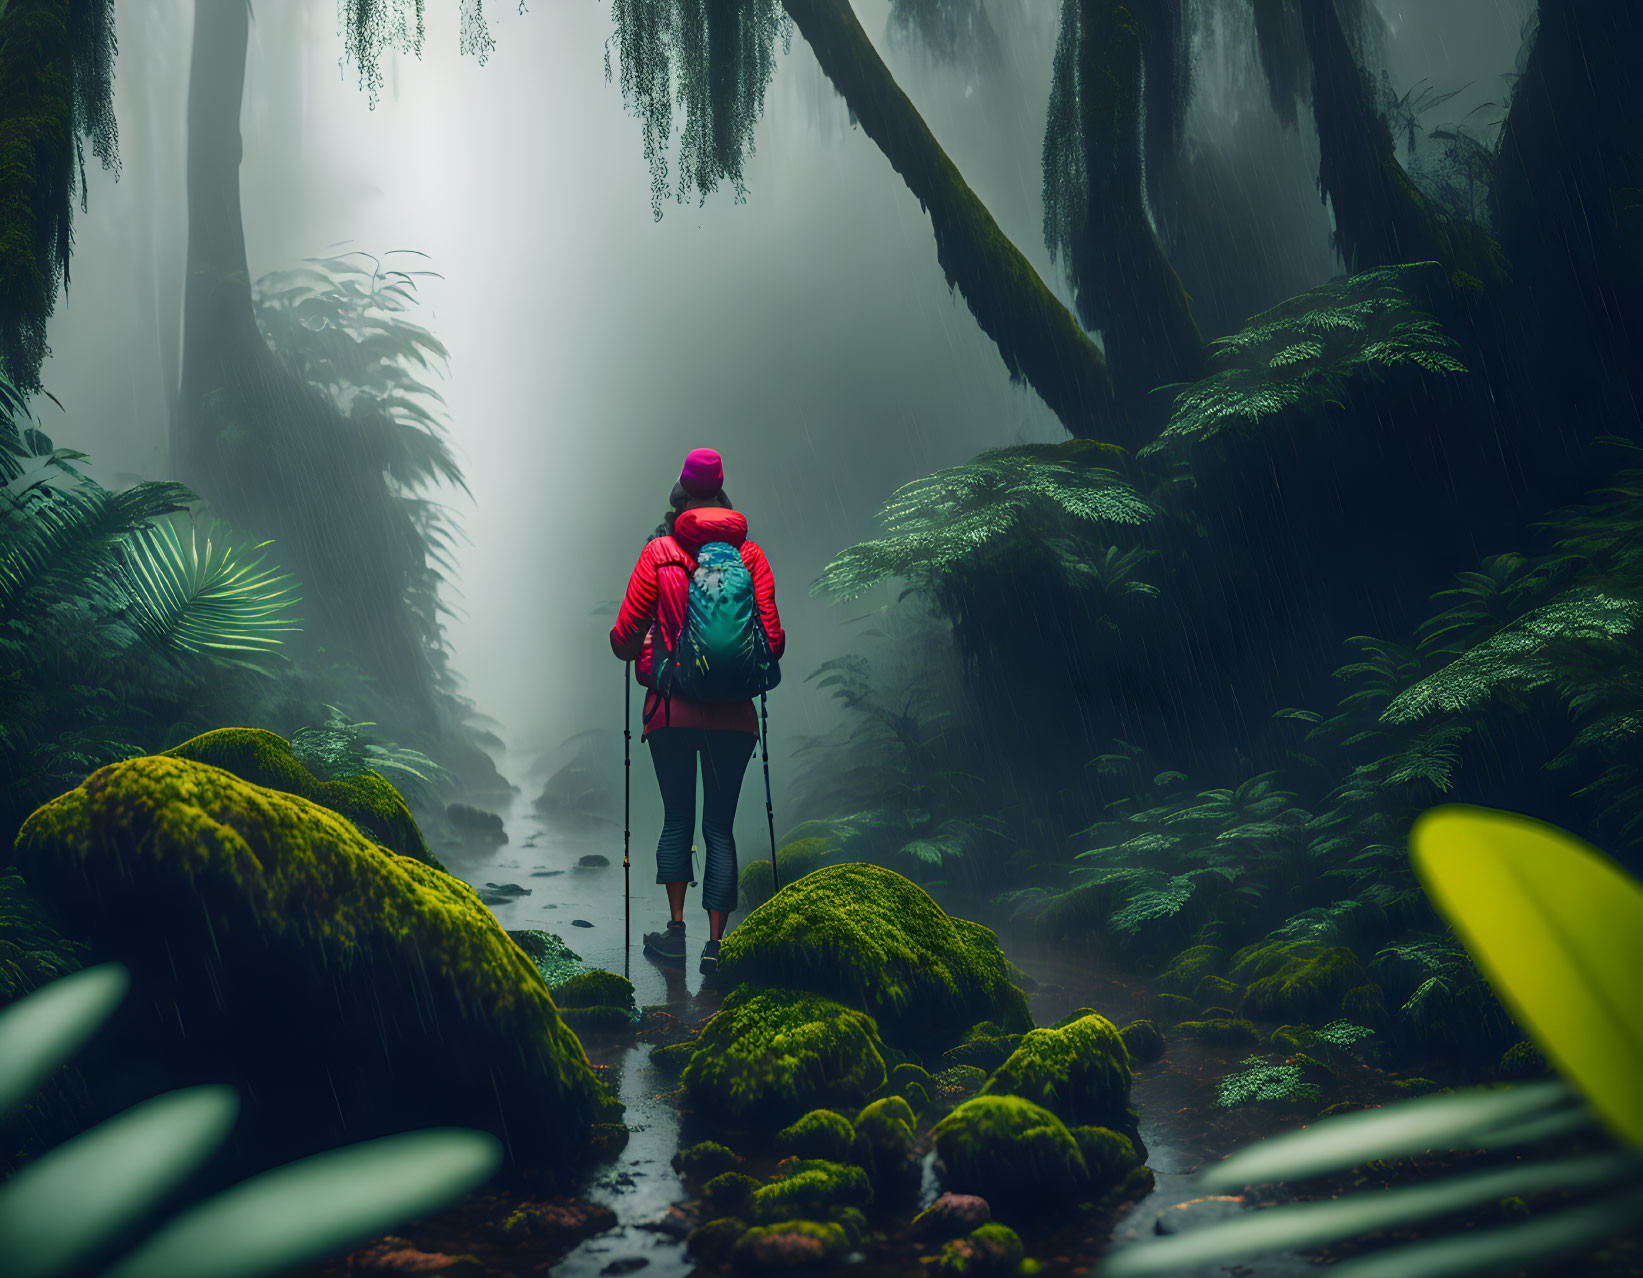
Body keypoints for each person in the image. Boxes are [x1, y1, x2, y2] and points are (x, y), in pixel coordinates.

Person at [608, 448, 785, 975]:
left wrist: (646, 656)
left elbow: (624, 640)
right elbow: (772, 642)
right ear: (723, 493)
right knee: (720, 828)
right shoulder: (750, 557)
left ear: (680, 493)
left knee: (677, 819)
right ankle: (716, 947)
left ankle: (677, 932)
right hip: (734, 721)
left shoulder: (659, 551)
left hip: (671, 716)